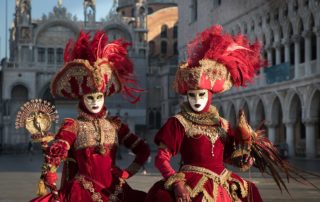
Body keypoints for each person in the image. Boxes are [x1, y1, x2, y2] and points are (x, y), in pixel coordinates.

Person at [146, 25, 267, 202]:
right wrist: (177, 183)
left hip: (224, 180)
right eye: (191, 95)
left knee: (251, 192)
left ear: (209, 94)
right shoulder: (179, 122)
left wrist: (243, 161)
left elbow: (227, 156)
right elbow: (161, 158)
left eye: (201, 95)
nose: (196, 99)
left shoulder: (222, 124)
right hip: (192, 182)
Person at [31, 31, 150, 202]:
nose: (95, 102)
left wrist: (126, 172)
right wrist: (50, 170)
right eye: (90, 98)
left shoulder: (115, 125)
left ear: (104, 97)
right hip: (83, 191)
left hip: (115, 189)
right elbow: (59, 149)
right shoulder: (73, 126)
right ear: (82, 98)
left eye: (99, 97)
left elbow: (143, 150)